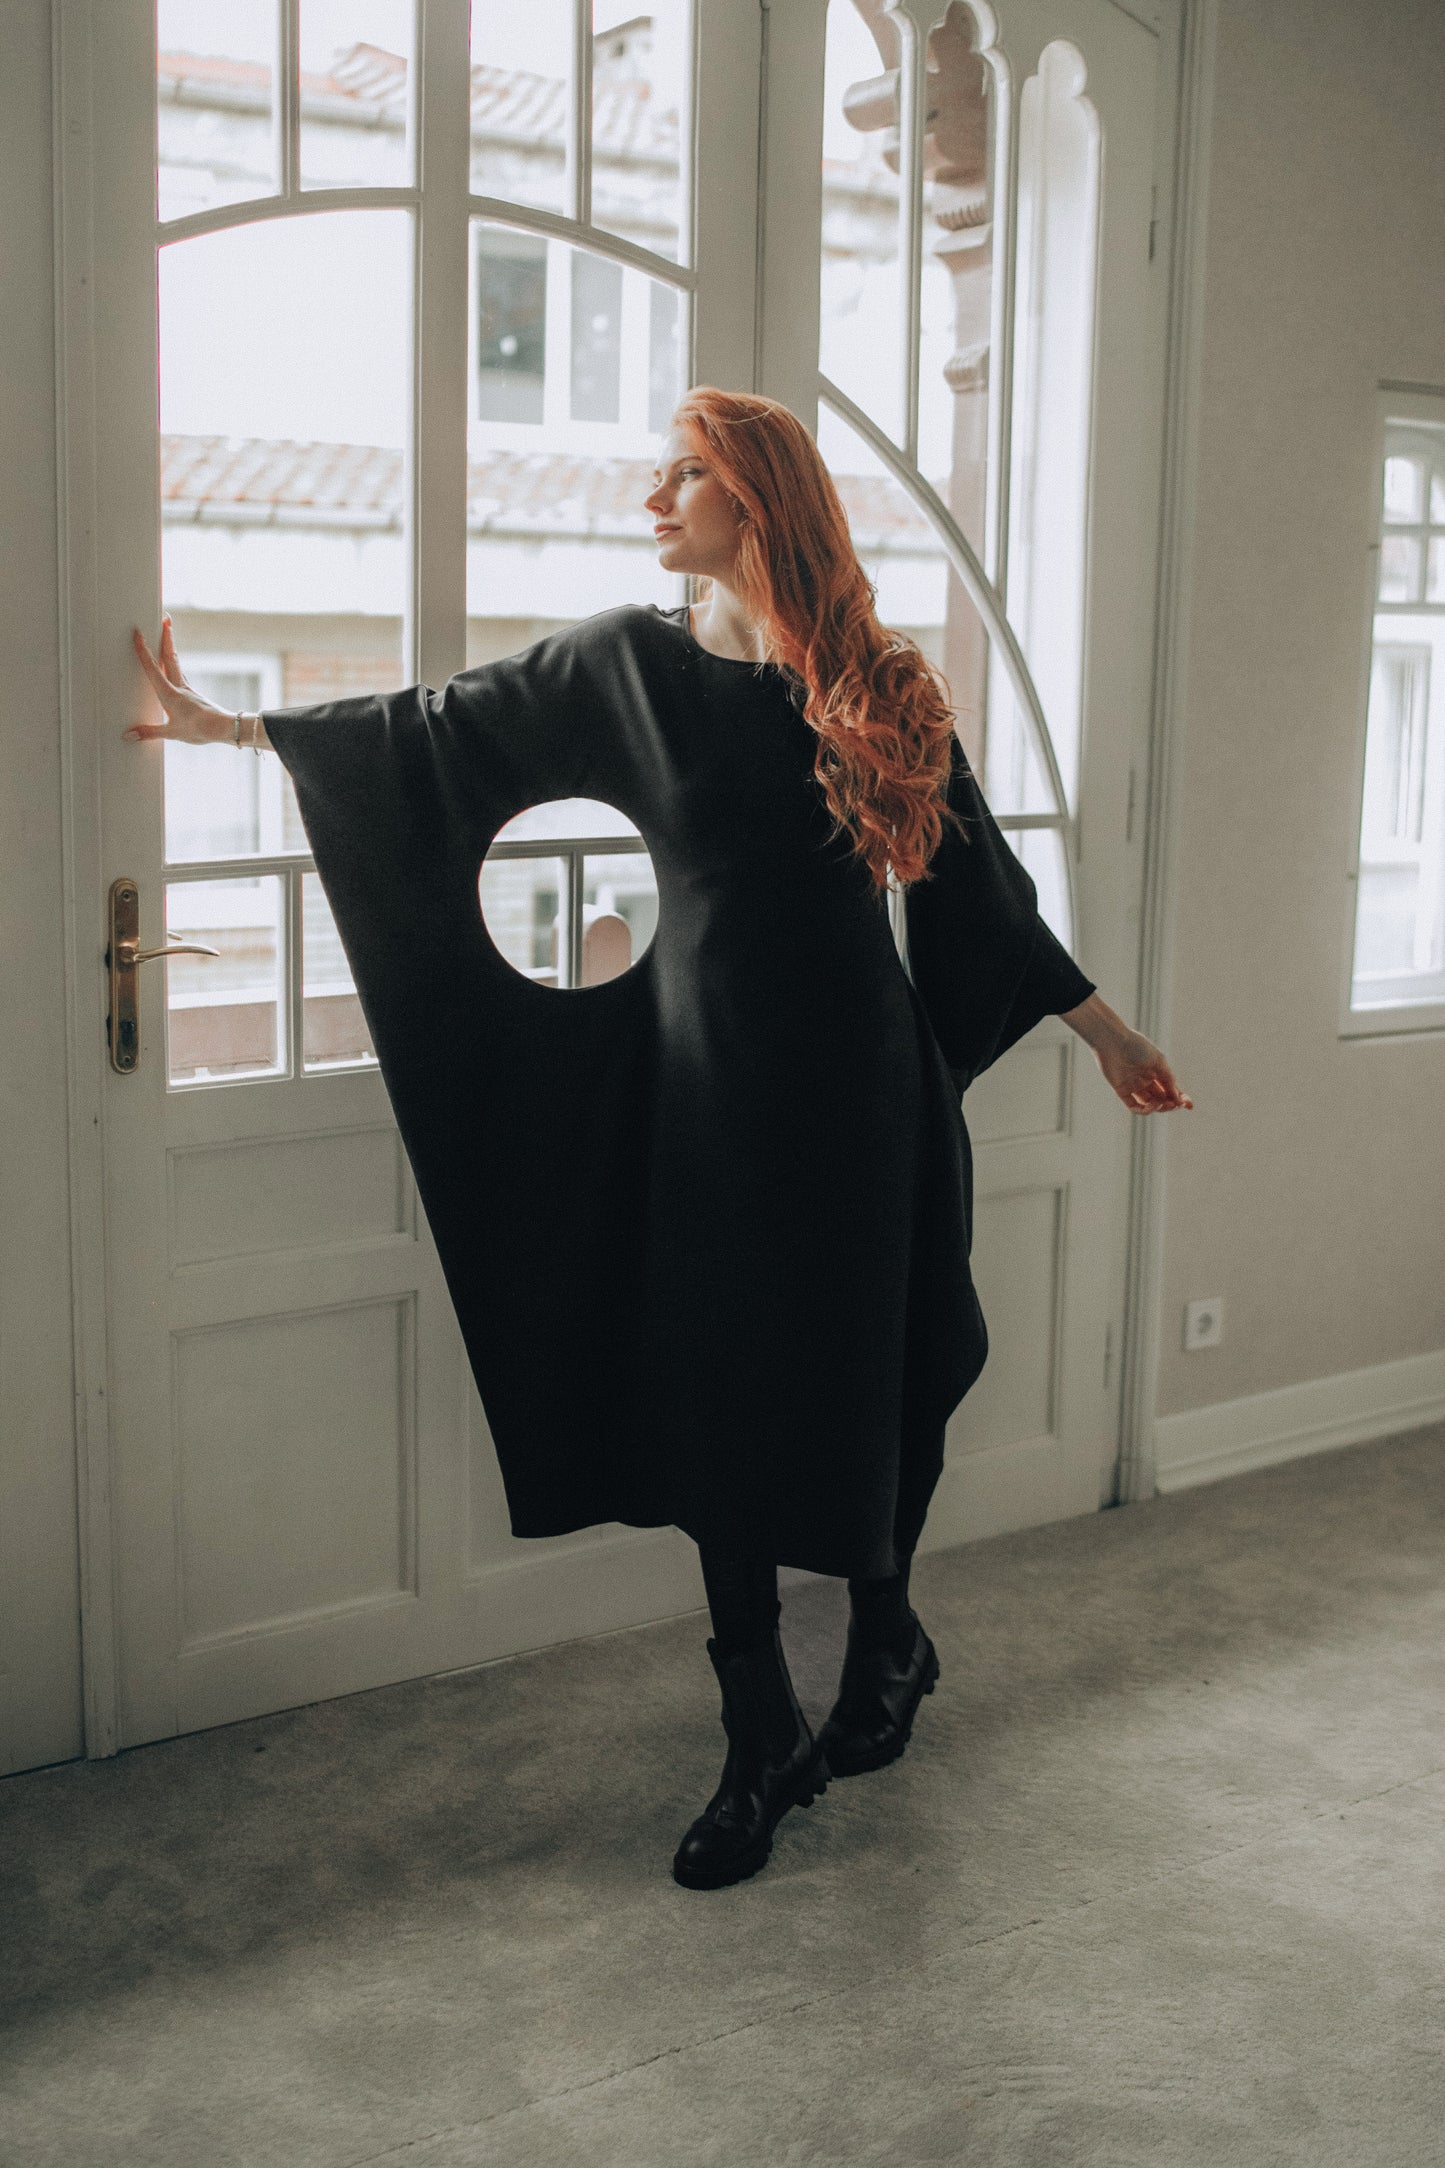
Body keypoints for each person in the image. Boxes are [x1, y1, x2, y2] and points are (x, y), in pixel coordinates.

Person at [129, 387, 1191, 1894]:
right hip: (711, 1110)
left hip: (867, 1110)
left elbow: (982, 902)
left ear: (751, 500)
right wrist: (234, 726)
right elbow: (431, 738)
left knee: (889, 1371)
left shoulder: (882, 684)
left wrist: (1110, 1035)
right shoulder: (626, 664)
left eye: (679, 473)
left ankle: (885, 1637)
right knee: (720, 1402)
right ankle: (757, 1728)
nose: (651, 497)